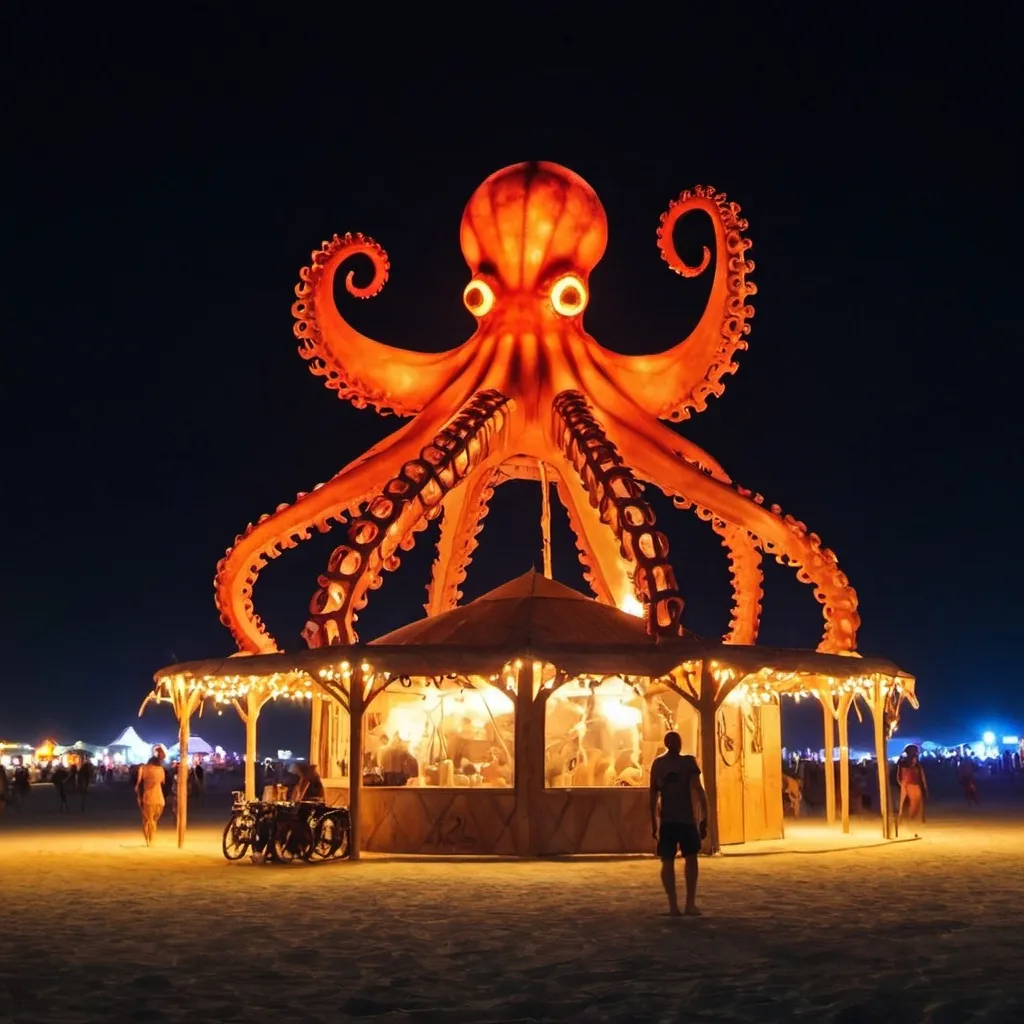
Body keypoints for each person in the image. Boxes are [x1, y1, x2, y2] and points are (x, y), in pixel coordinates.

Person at [650, 731, 709, 917]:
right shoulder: (687, 763)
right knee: (688, 859)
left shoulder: (659, 764)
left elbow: (653, 795)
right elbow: (699, 791)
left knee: (669, 860)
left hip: (670, 820)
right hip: (684, 820)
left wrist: (654, 822)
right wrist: (705, 817)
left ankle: (675, 906)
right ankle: (686, 904)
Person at [135, 754, 167, 846]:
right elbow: (163, 782)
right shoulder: (161, 770)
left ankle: (149, 840)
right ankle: (151, 839)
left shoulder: (144, 768)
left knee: (146, 820)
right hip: (160, 799)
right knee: (154, 820)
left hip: (148, 798)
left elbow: (138, 783)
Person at [896, 744, 928, 822]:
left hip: (907, 783)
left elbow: (898, 774)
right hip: (911, 783)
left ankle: (904, 816)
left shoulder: (903, 762)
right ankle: (914, 817)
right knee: (916, 800)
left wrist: (901, 782)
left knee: (908, 800)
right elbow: (921, 774)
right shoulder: (912, 763)